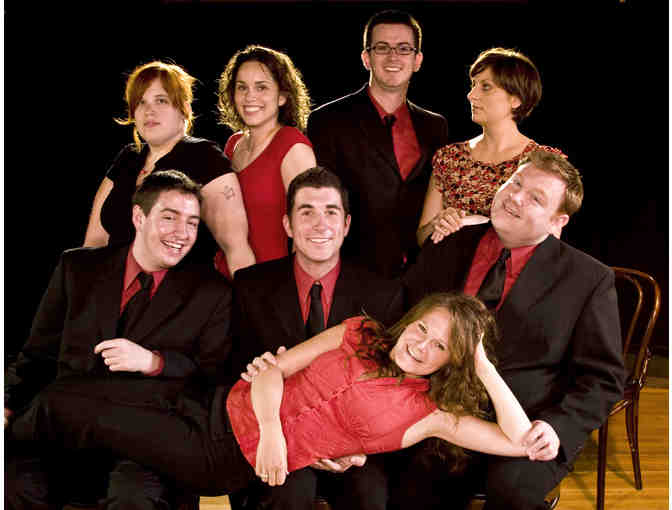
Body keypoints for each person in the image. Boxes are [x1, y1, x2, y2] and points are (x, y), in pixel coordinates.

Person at [9, 292, 540, 501]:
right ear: (412, 320)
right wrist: (270, 432)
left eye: (441, 346)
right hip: (216, 404)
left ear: (453, 361)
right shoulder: (359, 331)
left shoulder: (433, 414)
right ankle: (12, 433)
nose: (421, 345)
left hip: (221, 459)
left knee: (87, 415)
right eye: (423, 328)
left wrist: (484, 366)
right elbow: (272, 370)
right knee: (83, 392)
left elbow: (520, 442)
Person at [400, 150, 625, 509]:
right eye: (515, 183)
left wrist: (557, 427)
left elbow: (603, 378)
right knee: (408, 487)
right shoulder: (449, 243)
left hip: (529, 424)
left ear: (558, 221)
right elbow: (402, 322)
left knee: (512, 494)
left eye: (536, 198)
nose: (516, 197)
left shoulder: (588, 279)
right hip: (442, 415)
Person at [6, 170, 234, 510]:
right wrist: (7, 403)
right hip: (63, 435)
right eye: (169, 217)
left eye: (192, 222)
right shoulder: (77, 268)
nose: (182, 233)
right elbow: (37, 355)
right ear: (139, 217)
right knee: (11, 482)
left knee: (133, 497)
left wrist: (155, 362)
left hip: (145, 448)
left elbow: (213, 380)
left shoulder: (213, 293)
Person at [230, 167, 402, 510]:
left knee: (369, 495)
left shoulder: (385, 294)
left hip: (354, 445)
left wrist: (354, 448)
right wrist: (255, 371)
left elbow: (391, 385)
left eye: (331, 212)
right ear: (288, 225)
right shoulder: (250, 285)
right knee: (287, 492)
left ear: (346, 225)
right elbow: (233, 368)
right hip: (278, 434)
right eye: (307, 212)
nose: (320, 224)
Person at [307, 9, 449, 278]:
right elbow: (321, 200)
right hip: (353, 273)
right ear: (366, 58)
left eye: (404, 48)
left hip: (421, 274)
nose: (393, 57)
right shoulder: (328, 120)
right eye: (382, 47)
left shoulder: (436, 126)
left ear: (417, 60)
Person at [84, 60, 254, 274]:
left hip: (181, 290)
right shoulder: (128, 158)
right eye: (141, 102)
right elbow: (94, 242)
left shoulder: (205, 158)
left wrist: (248, 295)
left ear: (184, 108)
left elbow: (236, 249)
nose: (149, 111)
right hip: (115, 286)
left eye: (161, 100)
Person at [417, 48, 565, 246]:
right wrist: (439, 223)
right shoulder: (449, 157)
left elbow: (548, 243)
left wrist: (478, 224)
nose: (471, 95)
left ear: (516, 99)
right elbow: (421, 239)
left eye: (486, 87)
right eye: (473, 84)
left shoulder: (542, 162)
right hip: (446, 263)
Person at [214, 45, 317, 278]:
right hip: (224, 278)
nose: (250, 96)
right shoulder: (233, 144)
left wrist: (292, 290)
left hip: (271, 283)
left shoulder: (293, 146)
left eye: (261, 87)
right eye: (242, 87)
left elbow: (307, 228)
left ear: (282, 96)